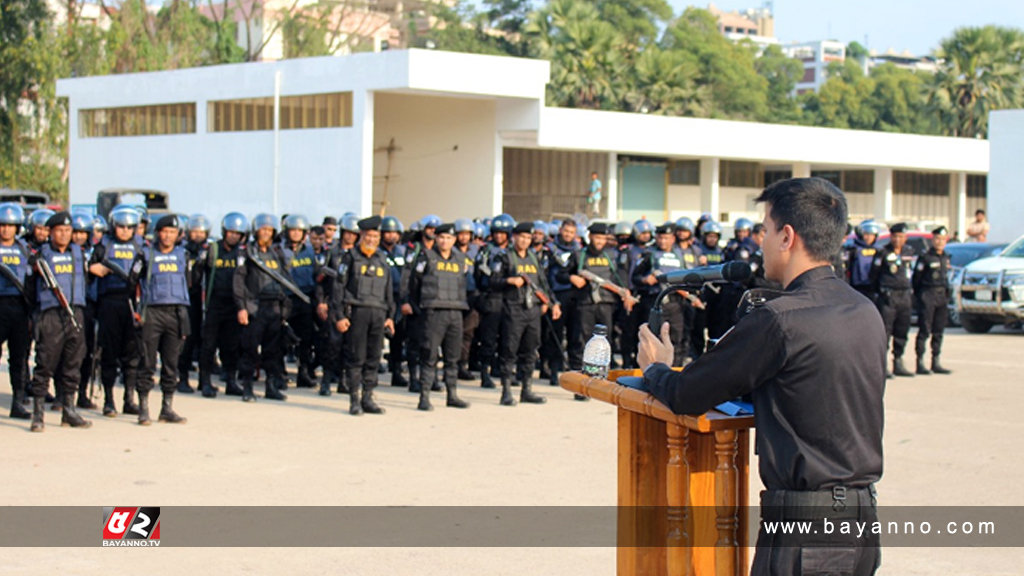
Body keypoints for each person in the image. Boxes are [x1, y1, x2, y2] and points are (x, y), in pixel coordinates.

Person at [637, 177, 883, 576]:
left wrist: (655, 367)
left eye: (764, 230)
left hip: (806, 528)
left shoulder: (779, 319)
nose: (759, 241)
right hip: (860, 520)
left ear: (787, 236)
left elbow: (686, 394)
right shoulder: (864, 310)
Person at [27, 212, 91, 432]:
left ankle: (69, 410)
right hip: (51, 314)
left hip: (76, 312)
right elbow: (28, 287)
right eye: (59, 231)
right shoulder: (41, 255)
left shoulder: (78, 253)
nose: (64, 234)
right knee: (45, 364)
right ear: (50, 232)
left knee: (73, 364)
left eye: (67, 230)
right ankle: (38, 415)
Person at [328, 216, 395, 415]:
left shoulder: (382, 259)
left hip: (378, 314)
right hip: (356, 313)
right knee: (356, 357)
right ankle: (354, 400)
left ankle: (368, 397)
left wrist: (391, 315)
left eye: (375, 236)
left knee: (374, 357)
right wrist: (339, 316)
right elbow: (338, 289)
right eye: (368, 236)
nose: (372, 240)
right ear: (361, 236)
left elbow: (388, 290)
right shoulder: (349, 258)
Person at [492, 222, 561, 406]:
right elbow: (492, 281)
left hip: (533, 310)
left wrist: (553, 303)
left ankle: (526, 390)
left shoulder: (533, 257)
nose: (524, 241)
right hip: (513, 309)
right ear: (514, 237)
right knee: (509, 350)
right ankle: (506, 391)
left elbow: (543, 284)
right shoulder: (504, 256)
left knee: (530, 351)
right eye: (521, 237)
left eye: (528, 238)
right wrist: (509, 280)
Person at [404, 223, 471, 411]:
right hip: (433, 312)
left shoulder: (460, 259)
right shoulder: (426, 257)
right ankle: (424, 397)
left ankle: (452, 395)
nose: (445, 241)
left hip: (455, 311)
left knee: (452, 357)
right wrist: (421, 307)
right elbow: (414, 284)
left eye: (449, 238)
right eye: (441, 237)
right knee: (429, 355)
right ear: (436, 238)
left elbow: (465, 284)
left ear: (454, 240)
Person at [88, 206, 145, 417]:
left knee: (132, 354)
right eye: (121, 227)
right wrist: (93, 268)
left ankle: (129, 399)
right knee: (109, 353)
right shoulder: (103, 246)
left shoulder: (141, 248)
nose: (124, 231)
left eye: (129, 227)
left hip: (131, 303)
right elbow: (90, 268)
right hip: (109, 303)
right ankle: (109, 400)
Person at [136, 215, 190, 425]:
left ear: (178, 235)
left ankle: (167, 407)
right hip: (152, 312)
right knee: (147, 362)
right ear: (158, 233)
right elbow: (133, 281)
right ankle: (143, 408)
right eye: (164, 231)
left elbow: (189, 282)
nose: (168, 236)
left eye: (172, 232)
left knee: (171, 363)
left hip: (176, 312)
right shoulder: (146, 254)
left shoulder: (182, 255)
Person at [234, 213, 291, 402]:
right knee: (250, 349)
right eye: (263, 229)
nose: (266, 233)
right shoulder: (247, 252)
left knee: (272, 350)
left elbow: (285, 279)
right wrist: (241, 307)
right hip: (254, 307)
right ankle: (248, 387)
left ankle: (271, 386)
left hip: (274, 307)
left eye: (269, 230)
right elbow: (239, 281)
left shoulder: (277, 252)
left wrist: (284, 309)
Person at [198, 212, 248, 398]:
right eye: (231, 232)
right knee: (209, 345)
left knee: (232, 346)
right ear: (224, 231)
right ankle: (205, 381)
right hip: (214, 304)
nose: (234, 236)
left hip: (234, 305)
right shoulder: (213, 249)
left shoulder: (242, 253)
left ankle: (231, 381)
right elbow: (197, 274)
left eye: (238, 233)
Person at [473, 214, 515, 389]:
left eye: (503, 233)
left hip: (511, 299)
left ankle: (503, 371)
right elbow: (477, 275)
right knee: (488, 338)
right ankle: (485, 373)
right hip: (492, 297)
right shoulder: (485, 251)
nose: (499, 236)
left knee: (508, 338)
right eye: (496, 233)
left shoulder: (513, 251)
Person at [0, 203, 33, 419]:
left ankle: (18, 402)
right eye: (2, 225)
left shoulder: (24, 249)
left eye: (10, 225)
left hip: (20, 307)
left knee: (19, 358)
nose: (5, 230)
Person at [870, 222, 915, 379]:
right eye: (895, 236)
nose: (898, 239)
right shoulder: (882, 253)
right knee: (886, 332)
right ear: (891, 237)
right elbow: (873, 276)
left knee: (902, 330)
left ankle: (898, 361)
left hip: (905, 296)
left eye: (901, 236)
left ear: (905, 238)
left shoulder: (909, 252)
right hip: (888, 297)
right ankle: (883, 366)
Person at [281, 214, 318, 389]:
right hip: (284, 299)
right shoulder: (278, 250)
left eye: (299, 231)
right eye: (293, 230)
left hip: (304, 299)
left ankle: (303, 373)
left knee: (306, 339)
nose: (296, 234)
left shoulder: (309, 251)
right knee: (279, 337)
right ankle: (279, 373)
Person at [177, 213, 211, 393]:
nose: (197, 235)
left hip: (203, 299)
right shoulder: (181, 251)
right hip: (186, 299)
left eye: (201, 232)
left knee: (204, 340)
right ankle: (182, 377)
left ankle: (204, 379)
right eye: (194, 232)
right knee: (186, 340)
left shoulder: (209, 250)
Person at [913, 226, 952, 375]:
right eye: (937, 239)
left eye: (943, 239)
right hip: (928, 294)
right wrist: (920, 296)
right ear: (932, 239)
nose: (940, 242)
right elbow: (916, 280)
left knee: (939, 330)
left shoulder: (946, 257)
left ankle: (936, 361)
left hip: (941, 296)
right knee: (925, 329)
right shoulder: (925, 257)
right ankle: (920, 362)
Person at [845, 220, 881, 300]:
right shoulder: (853, 249)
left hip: (873, 288)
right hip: (857, 287)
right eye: (866, 234)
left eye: (871, 235)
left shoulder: (879, 250)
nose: (869, 237)